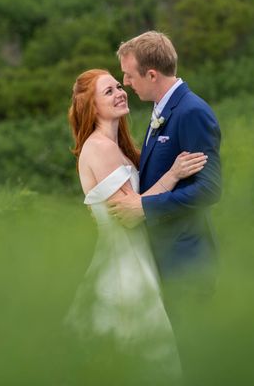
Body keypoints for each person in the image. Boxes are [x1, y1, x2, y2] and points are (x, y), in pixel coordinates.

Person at [65, 68, 207, 376]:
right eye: (108, 91)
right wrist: (174, 174)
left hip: (138, 253)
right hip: (124, 262)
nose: (120, 92)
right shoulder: (99, 147)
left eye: (118, 85)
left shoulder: (116, 144)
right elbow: (130, 214)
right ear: (92, 106)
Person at [110, 31, 222, 297]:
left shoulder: (192, 111)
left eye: (129, 75)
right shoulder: (163, 107)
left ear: (151, 75)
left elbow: (210, 189)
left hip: (186, 261)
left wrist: (145, 207)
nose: (125, 82)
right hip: (162, 258)